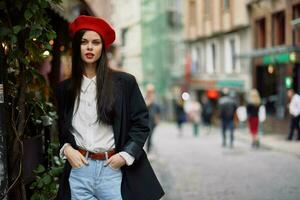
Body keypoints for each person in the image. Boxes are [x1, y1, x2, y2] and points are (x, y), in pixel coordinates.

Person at [55, 15, 164, 200]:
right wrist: (67, 149)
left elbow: (141, 124)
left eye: (95, 42)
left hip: (112, 170)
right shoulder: (64, 89)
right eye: (84, 42)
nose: (89, 47)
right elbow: (63, 128)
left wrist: (125, 155)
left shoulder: (124, 83)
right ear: (77, 47)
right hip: (79, 170)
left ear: (102, 48)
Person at [144, 83, 160, 153]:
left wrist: (157, 119)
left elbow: (158, 110)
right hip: (144, 121)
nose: (150, 93)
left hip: (152, 122)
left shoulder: (155, 101)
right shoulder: (144, 99)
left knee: (150, 135)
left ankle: (148, 149)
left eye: (152, 91)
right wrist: (149, 102)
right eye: (149, 91)